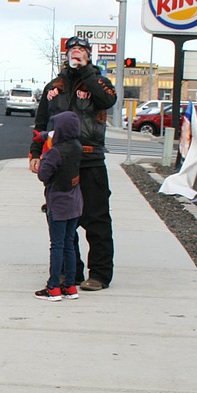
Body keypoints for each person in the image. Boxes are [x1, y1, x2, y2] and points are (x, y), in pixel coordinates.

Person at [29, 35, 117, 291]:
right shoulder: (54, 87)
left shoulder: (98, 82)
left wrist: (87, 71)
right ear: (65, 55)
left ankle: (100, 274)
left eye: (81, 50)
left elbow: (108, 100)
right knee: (62, 218)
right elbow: (41, 123)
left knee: (96, 219)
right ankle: (72, 272)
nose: (75, 53)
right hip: (61, 163)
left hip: (90, 159)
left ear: (89, 54)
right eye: (72, 50)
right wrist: (35, 152)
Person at [34, 111, 83, 301]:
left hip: (58, 203)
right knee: (69, 244)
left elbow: (43, 175)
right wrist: (43, 136)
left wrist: (44, 153)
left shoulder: (55, 152)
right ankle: (70, 286)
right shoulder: (76, 146)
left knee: (56, 245)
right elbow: (57, 136)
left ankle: (53, 287)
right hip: (75, 202)